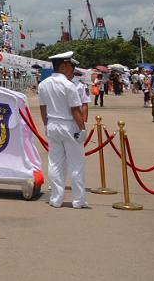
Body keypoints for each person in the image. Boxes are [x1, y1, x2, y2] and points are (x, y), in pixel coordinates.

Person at [37, 52, 87, 209]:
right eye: (71, 66)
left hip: (52, 124)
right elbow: (75, 110)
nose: (72, 70)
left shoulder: (43, 84)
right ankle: (78, 200)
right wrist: (83, 128)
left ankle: (56, 198)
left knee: (55, 163)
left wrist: (46, 125)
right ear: (64, 65)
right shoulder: (69, 85)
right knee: (76, 163)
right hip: (69, 125)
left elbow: (43, 109)